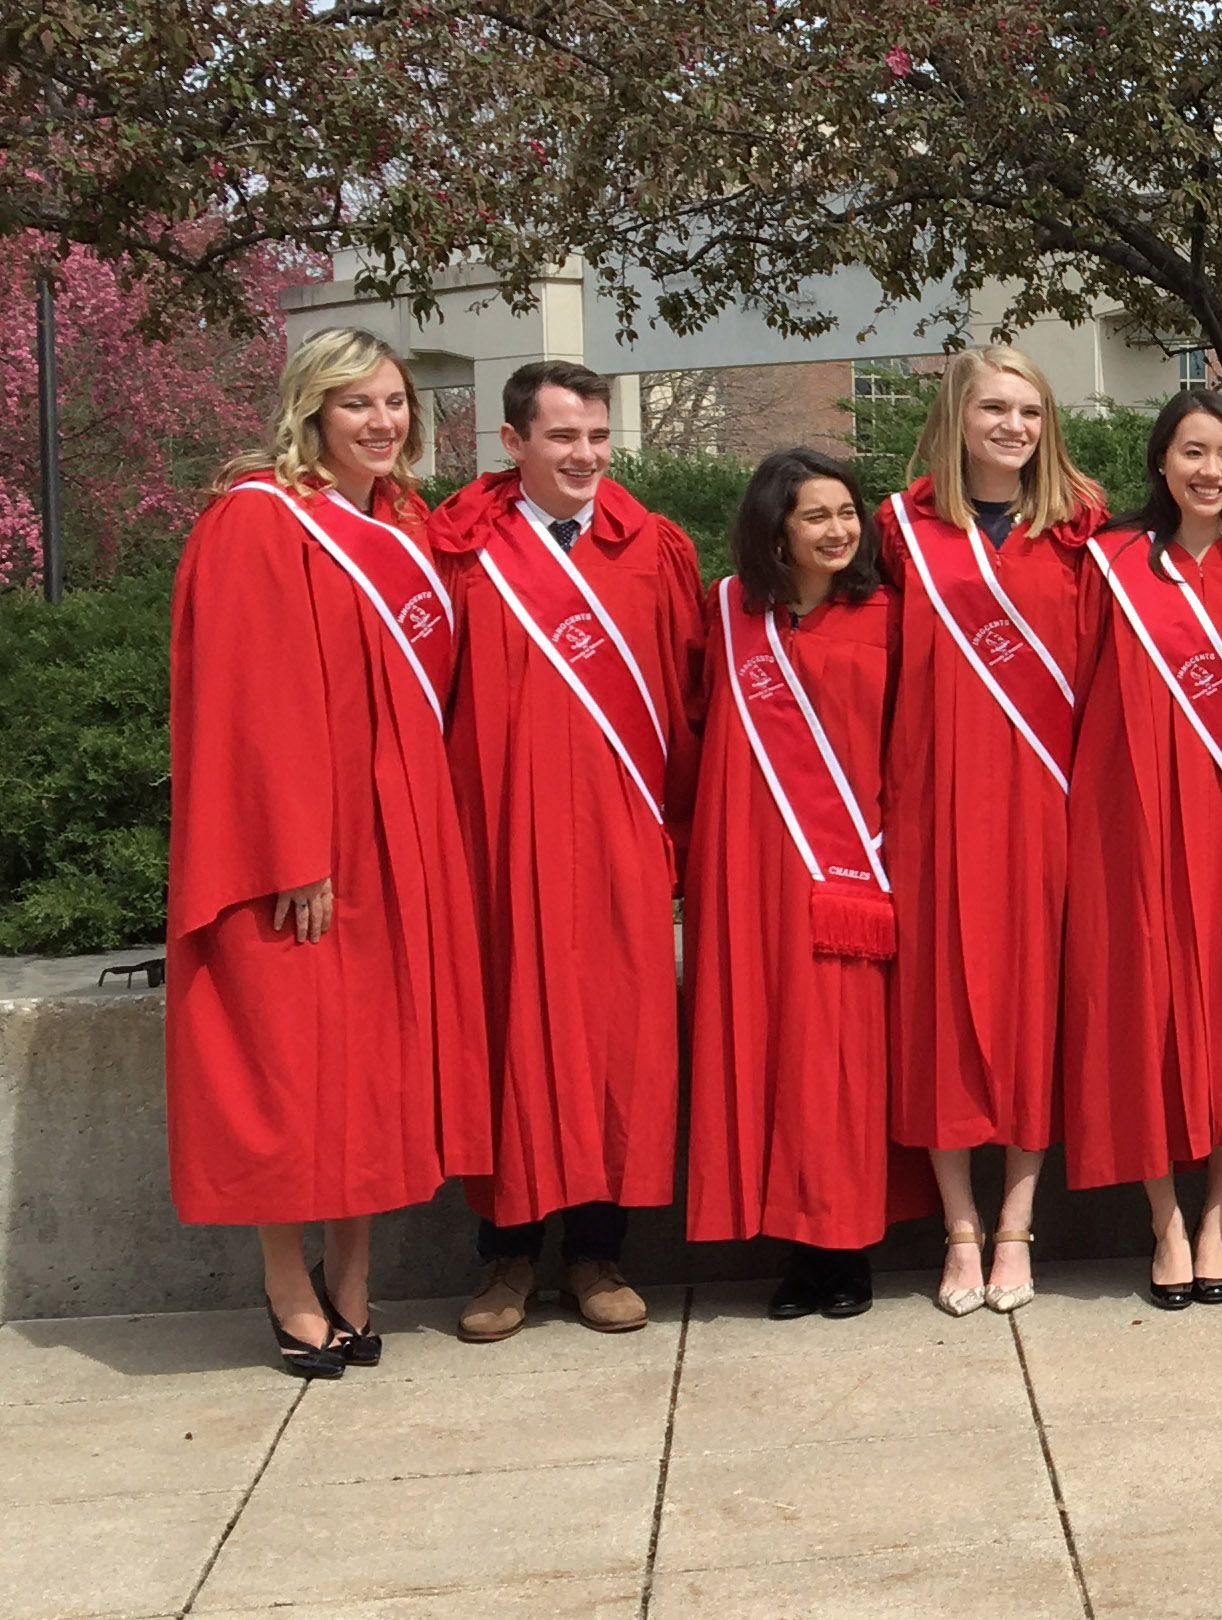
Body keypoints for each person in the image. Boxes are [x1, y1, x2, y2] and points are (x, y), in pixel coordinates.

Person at [168, 327, 491, 1378]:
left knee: (376, 1065)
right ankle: (284, 1283)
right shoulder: (259, 521)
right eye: (358, 405)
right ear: (312, 409)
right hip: (308, 847)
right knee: (294, 1064)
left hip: (404, 834)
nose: (383, 423)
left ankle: (354, 1276)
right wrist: (292, 850)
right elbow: (249, 704)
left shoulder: (399, 521)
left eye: (395, 403)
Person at [428, 362, 707, 1339]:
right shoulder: (463, 552)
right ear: (513, 444)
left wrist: (680, 841)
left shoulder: (655, 550)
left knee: (611, 1043)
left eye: (596, 436)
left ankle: (597, 1252)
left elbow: (688, 704)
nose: (585, 455)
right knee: (509, 1033)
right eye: (562, 438)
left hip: (619, 841)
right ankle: (506, 1256)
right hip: (499, 842)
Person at [1059, 390, 1222, 1307]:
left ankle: (1217, 1217)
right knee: (1144, 1010)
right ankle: (1163, 1216)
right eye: (1192, 452)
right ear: (1159, 462)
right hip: (1134, 824)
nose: (1210, 471)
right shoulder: (1110, 563)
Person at [883, 346, 1106, 1315]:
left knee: (1032, 1014)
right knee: (937, 1018)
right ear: (957, 415)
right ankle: (958, 1228)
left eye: (1028, 410)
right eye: (994, 409)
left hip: (1045, 807)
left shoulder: (1082, 529)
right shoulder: (898, 528)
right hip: (933, 809)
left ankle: (1015, 1221)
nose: (1012, 425)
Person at [683, 450, 925, 1317]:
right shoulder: (728, 614)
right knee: (771, 1048)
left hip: (853, 864)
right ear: (774, 528)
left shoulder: (891, 615)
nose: (837, 530)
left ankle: (848, 1246)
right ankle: (792, 1246)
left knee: (842, 1059)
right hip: (750, 867)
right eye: (814, 515)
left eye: (846, 512)